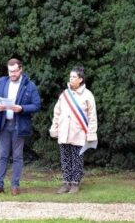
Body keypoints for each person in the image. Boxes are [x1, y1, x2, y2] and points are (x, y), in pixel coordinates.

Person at [0, 58, 41, 196]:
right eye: (10, 71)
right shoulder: (1, 83)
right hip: (3, 124)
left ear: (20, 69)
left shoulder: (29, 85)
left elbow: (36, 105)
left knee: (17, 157)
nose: (13, 74)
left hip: (19, 125)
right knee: (2, 156)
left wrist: (22, 108)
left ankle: (15, 185)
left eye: (15, 71)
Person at [49, 66, 98, 194]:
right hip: (64, 131)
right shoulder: (64, 94)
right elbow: (57, 112)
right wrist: (54, 127)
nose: (71, 79)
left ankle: (75, 183)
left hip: (79, 132)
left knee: (77, 158)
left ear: (80, 79)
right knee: (65, 158)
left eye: (74, 77)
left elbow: (92, 116)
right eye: (70, 77)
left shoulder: (88, 95)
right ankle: (66, 183)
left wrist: (91, 133)